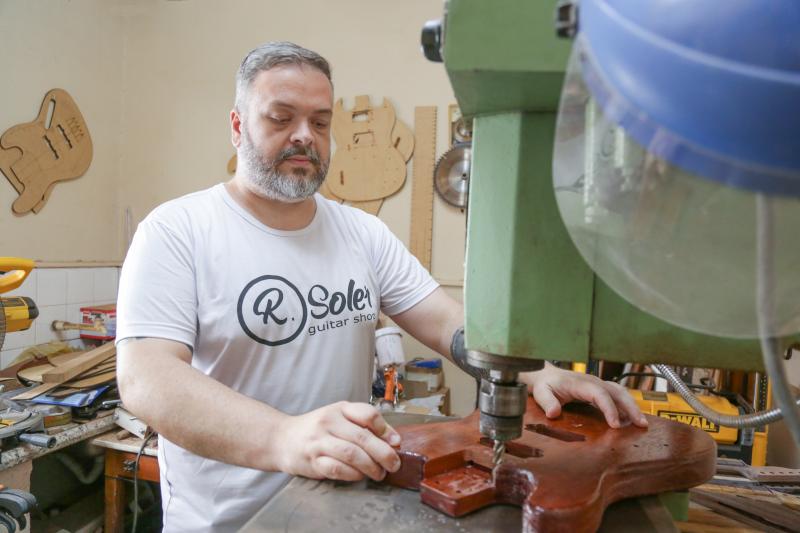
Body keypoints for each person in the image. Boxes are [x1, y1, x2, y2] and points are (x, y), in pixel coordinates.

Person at [116, 41, 647, 532]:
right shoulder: (177, 231)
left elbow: (444, 321)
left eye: (320, 122)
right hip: (226, 523)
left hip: (332, 509)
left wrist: (538, 373)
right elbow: (148, 378)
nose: (305, 134)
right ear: (236, 126)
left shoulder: (360, 232)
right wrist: (285, 437)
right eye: (281, 117)